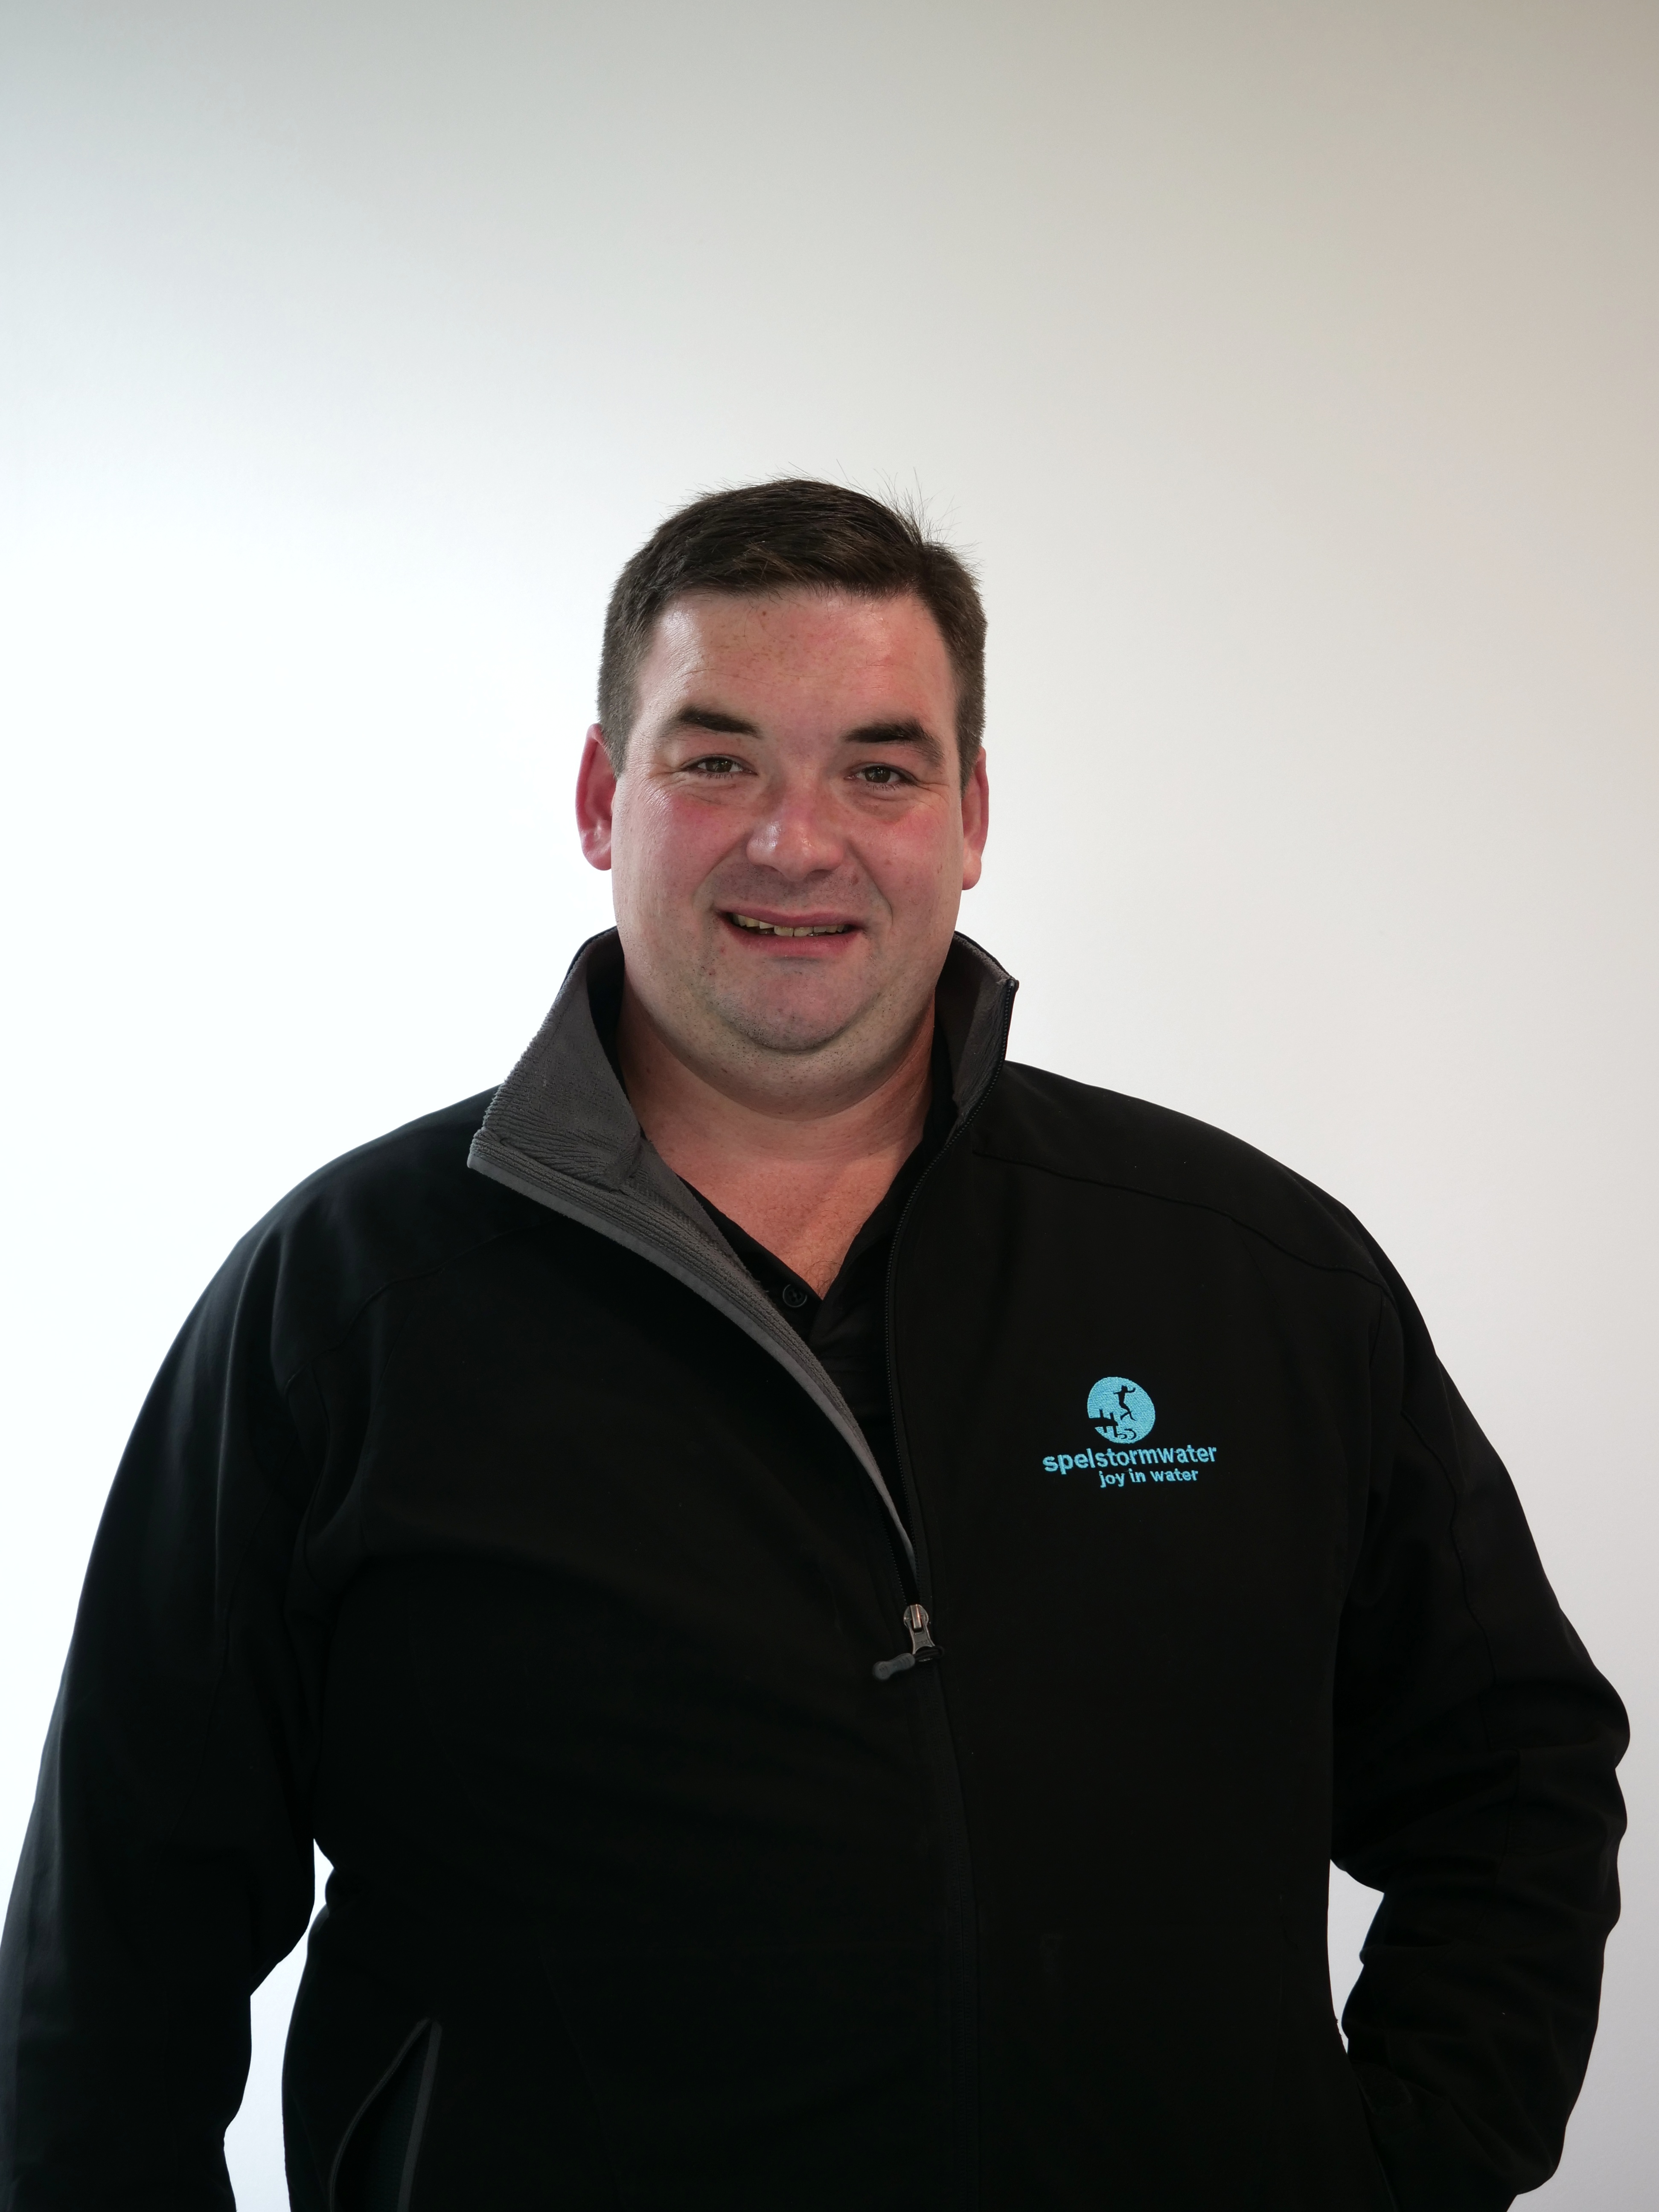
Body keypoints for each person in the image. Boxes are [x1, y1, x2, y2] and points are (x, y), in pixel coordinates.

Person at [0, 480, 1627, 2212]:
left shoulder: (1254, 1276)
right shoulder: (344, 1307)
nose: (797, 842)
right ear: (600, 798)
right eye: (718, 762)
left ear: (971, 816)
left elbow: (1511, 1782)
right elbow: (114, 1961)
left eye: (880, 769)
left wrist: (1403, 2169)